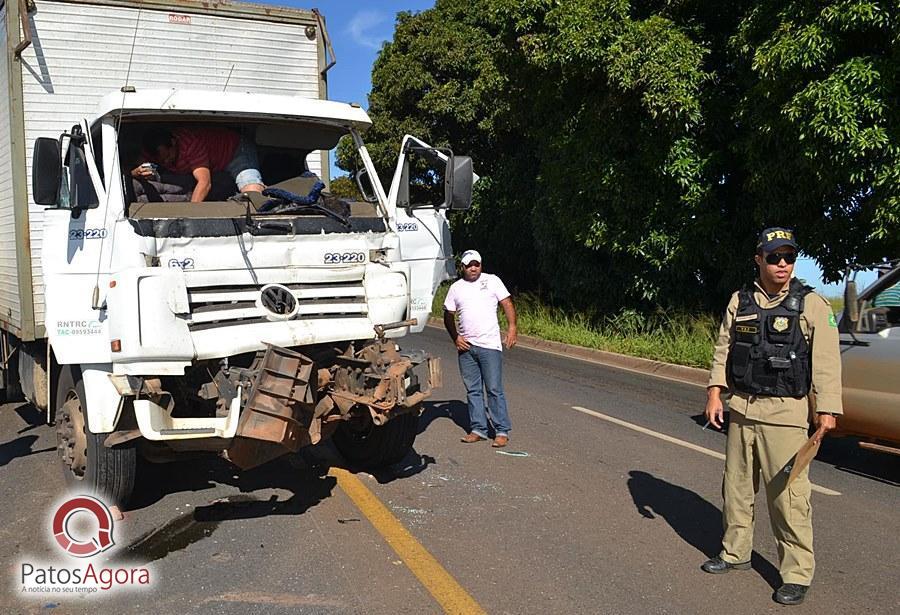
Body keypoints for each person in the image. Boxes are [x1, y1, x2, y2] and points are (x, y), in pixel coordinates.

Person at [702, 227, 842, 606]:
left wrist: (827, 409)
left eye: (789, 257)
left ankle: (796, 573)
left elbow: (827, 362)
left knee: (788, 498)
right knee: (736, 488)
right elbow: (723, 349)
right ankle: (735, 552)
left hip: (785, 414)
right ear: (759, 259)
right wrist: (715, 392)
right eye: (774, 256)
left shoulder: (811, 304)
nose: (782, 264)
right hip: (743, 408)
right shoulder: (740, 300)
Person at [443, 250, 518, 448]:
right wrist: (456, 338)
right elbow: (448, 315)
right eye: (469, 265)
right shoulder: (456, 288)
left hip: (489, 346)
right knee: (473, 390)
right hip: (466, 348)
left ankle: (501, 430)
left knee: (493, 389)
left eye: (476, 264)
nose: (473, 268)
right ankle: (478, 429)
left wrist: (512, 328)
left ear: (481, 265)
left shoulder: (492, 281)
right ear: (463, 267)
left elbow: (507, 303)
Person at [133, 127, 265, 202]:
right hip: (209, 165)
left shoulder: (191, 145)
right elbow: (131, 169)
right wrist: (136, 172)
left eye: (167, 156)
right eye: (161, 160)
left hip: (234, 151)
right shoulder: (153, 150)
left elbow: (204, 183)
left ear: (173, 142)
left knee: (251, 190)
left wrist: (190, 216)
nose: (166, 162)